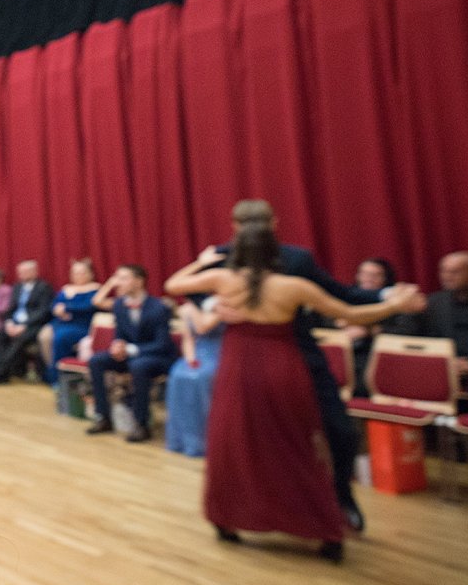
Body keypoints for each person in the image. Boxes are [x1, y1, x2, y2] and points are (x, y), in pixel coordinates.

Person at [166, 226, 420, 561]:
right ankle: (324, 529)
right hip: (283, 365)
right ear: (275, 253)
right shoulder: (294, 286)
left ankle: (228, 519)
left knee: (235, 442)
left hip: (239, 368)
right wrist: (395, 305)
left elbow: (173, 285)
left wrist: (201, 262)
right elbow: (351, 313)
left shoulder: (223, 279)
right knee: (295, 444)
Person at [209, 200, 405, 534]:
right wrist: (214, 304)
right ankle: (243, 510)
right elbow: (195, 293)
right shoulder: (220, 257)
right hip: (244, 361)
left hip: (298, 354)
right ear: (234, 226)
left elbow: (342, 295)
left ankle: (342, 497)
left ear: (275, 223)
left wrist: (388, 296)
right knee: (242, 438)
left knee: (341, 431)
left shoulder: (297, 259)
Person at [84, 265, 175, 442]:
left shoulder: (159, 307)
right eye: (118, 278)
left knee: (138, 366)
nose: (118, 282)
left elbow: (162, 344)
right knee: (96, 361)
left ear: (139, 282)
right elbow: (120, 334)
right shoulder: (119, 305)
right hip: (131, 356)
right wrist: (117, 345)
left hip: (157, 357)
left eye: (124, 278)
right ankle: (103, 417)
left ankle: (141, 424)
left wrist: (130, 349)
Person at [386, 251, 468, 380]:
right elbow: (408, 335)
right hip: (438, 373)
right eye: (444, 271)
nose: (447, 277)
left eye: (455, 272)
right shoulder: (432, 302)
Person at [164, 295, 224, 458]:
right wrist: (190, 359)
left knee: (201, 377)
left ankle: (205, 440)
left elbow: (202, 328)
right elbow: (188, 339)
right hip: (197, 352)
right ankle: (182, 440)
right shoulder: (187, 309)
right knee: (178, 374)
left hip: (219, 352)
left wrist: (192, 309)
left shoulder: (220, 304)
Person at [0, 260, 54, 384]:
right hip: (15, 322)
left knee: (20, 339)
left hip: (33, 325)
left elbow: (43, 311)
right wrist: (8, 322)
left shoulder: (44, 287)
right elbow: (11, 308)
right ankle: (0, 370)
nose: (21, 274)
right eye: (20, 272)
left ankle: (0, 371)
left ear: (34, 272)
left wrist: (25, 325)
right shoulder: (17, 287)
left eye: (24, 272)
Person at [339, 256, 396, 396]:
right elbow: (329, 322)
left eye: (375, 275)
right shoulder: (345, 296)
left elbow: (403, 330)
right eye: (364, 274)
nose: (369, 279)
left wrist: (369, 331)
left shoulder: (395, 301)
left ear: (385, 279)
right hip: (344, 351)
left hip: (376, 355)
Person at [39, 258, 101, 380]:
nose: (78, 276)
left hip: (80, 324)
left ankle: (58, 376)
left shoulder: (95, 288)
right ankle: (51, 369)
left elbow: (88, 306)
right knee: (44, 336)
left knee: (60, 338)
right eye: (75, 273)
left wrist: (67, 308)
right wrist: (56, 310)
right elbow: (54, 304)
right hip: (59, 322)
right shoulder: (66, 288)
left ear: (90, 274)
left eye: (81, 272)